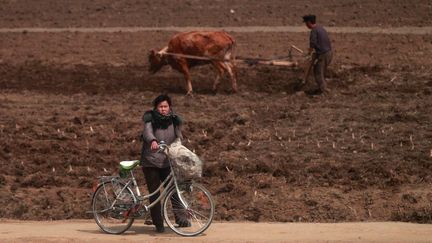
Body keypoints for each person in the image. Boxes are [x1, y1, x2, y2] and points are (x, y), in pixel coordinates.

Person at [140, 94, 186, 233]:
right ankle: (158, 223)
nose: (163, 109)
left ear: (169, 107)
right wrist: (153, 141)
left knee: (173, 190)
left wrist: (179, 149)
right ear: (156, 108)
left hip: (166, 161)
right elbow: (147, 132)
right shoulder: (150, 118)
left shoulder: (174, 120)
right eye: (160, 107)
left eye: (165, 106)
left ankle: (181, 219)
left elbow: (178, 137)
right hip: (150, 161)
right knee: (154, 193)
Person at [303, 14, 333, 94]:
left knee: (318, 72)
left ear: (309, 22)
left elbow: (312, 43)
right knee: (321, 71)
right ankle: (321, 89)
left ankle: (324, 91)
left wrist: (309, 53)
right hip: (329, 53)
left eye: (306, 23)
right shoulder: (321, 28)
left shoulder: (314, 31)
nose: (306, 25)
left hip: (323, 54)